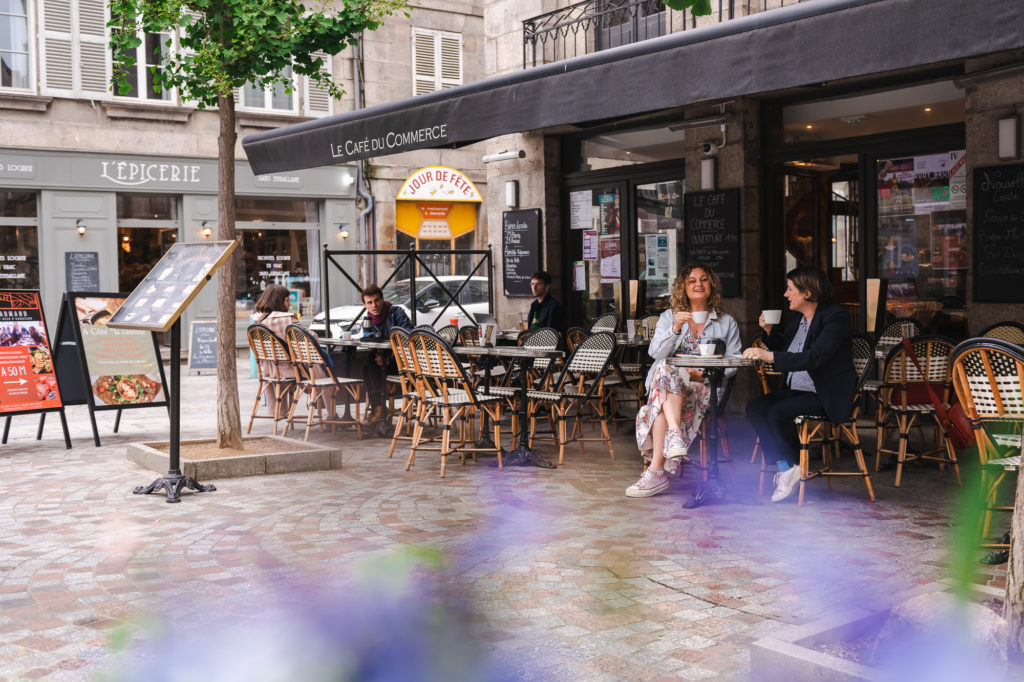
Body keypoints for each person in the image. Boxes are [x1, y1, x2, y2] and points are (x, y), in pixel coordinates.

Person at [625, 263, 742, 498]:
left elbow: (735, 361)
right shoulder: (669, 317)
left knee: (659, 400)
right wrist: (676, 328)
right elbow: (656, 354)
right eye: (692, 280)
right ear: (683, 287)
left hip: (704, 388)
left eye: (704, 279)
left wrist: (707, 376)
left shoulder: (726, 322)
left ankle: (656, 471)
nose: (698, 284)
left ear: (712, 285)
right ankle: (674, 434)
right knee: (667, 368)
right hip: (671, 387)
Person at [742, 265, 856, 503]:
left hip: (825, 394)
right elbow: (787, 350)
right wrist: (770, 333)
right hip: (798, 390)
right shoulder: (798, 318)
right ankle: (787, 467)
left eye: (790, 288)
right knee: (755, 407)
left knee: (777, 412)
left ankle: (791, 468)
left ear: (808, 292)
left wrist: (768, 356)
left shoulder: (836, 317)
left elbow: (815, 356)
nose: (786, 294)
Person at [252, 284, 314, 418]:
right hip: (289, 370)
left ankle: (279, 412)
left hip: (268, 371)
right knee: (320, 366)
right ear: (278, 302)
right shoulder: (286, 319)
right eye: (287, 300)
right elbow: (310, 337)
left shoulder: (257, 320)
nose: (290, 304)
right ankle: (327, 411)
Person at [358, 284, 412, 424]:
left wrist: (391, 355)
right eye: (370, 302)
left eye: (376, 300)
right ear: (365, 305)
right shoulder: (368, 320)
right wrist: (381, 355)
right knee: (368, 363)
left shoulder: (396, 312)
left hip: (403, 361)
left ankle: (379, 408)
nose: (374, 305)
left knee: (371, 364)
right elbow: (369, 339)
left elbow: (407, 336)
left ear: (382, 300)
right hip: (383, 361)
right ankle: (379, 407)